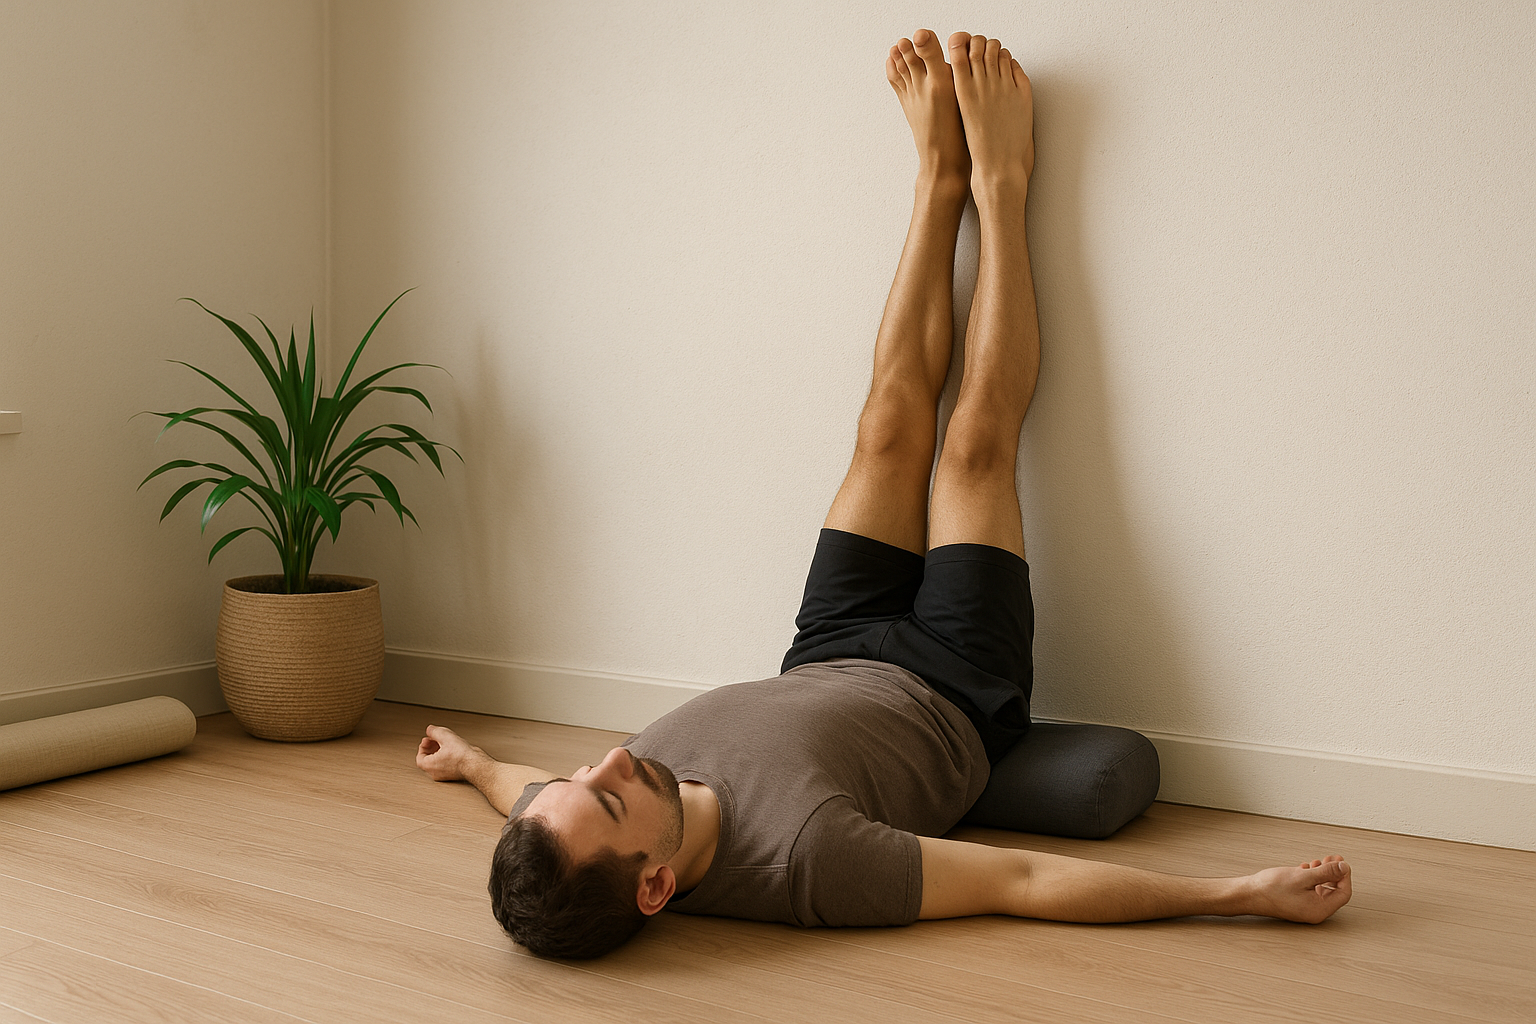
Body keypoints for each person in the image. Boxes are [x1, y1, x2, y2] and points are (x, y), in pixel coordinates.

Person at [415, 29, 1353, 960]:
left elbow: (525, 792)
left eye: (585, 774)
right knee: (972, 447)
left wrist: (472, 764)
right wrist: (1241, 894)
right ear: (655, 885)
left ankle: (938, 176)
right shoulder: (809, 863)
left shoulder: (564, 821)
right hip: (952, 686)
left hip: (823, 647)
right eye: (613, 793)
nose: (611, 758)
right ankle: (1000, 183)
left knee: (888, 425)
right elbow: (1017, 882)